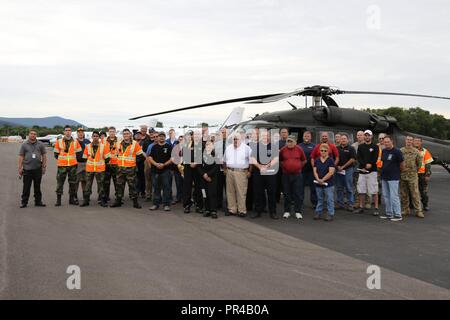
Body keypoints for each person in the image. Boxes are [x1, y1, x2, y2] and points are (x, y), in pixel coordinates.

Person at [110, 128, 145, 209]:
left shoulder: (135, 144)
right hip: (120, 169)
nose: (126, 135)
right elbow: (114, 154)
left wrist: (135, 163)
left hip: (130, 170)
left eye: (127, 133)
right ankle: (118, 201)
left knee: (132, 186)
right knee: (119, 186)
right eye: (124, 134)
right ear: (123, 135)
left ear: (130, 135)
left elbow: (140, 155)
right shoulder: (118, 143)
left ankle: (135, 202)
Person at [250, 130, 279, 219]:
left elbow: (276, 158)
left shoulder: (273, 146)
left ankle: (272, 212)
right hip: (258, 173)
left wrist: (267, 166)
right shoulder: (256, 146)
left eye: (266, 136)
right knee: (258, 192)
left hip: (270, 173)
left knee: (271, 192)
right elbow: (252, 158)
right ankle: (258, 211)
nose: (265, 137)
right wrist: (260, 167)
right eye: (263, 136)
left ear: (269, 137)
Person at [224, 131, 252, 217]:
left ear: (241, 139)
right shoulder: (228, 148)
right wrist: (225, 169)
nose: (235, 141)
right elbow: (224, 160)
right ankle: (232, 209)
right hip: (229, 172)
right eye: (234, 139)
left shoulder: (247, 148)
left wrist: (250, 171)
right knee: (230, 191)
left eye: (237, 139)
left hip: (241, 172)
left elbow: (251, 161)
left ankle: (242, 210)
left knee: (241, 192)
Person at [80, 131, 110, 207]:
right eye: (94, 136)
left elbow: (107, 158)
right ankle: (86, 200)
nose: (95, 137)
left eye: (97, 136)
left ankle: (101, 200)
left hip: (100, 169)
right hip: (90, 169)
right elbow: (84, 157)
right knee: (88, 185)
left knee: (101, 186)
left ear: (99, 137)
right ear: (92, 137)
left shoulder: (104, 146)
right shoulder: (88, 146)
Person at [54, 125, 82, 206]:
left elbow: (79, 153)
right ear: (64, 132)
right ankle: (58, 200)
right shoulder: (59, 141)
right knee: (60, 183)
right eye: (66, 130)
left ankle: (71, 199)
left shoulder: (75, 141)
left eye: (69, 130)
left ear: (71, 132)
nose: (68, 132)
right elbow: (56, 154)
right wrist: (62, 160)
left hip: (73, 166)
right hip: (62, 166)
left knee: (72, 183)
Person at [18, 129, 47, 208]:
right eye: (31, 134)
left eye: (34, 134)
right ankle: (24, 202)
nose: (33, 135)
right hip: (27, 169)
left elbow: (44, 155)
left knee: (37, 186)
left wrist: (44, 166)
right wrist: (20, 168)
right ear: (29, 135)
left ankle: (38, 201)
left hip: (38, 168)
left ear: (36, 135)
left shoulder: (40, 144)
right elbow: (21, 156)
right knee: (26, 187)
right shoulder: (24, 145)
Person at [280, 135, 306, 219]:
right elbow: (280, 160)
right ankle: (287, 211)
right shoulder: (283, 149)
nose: (289, 143)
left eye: (291, 141)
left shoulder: (299, 149)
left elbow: (304, 160)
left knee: (297, 193)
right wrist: (285, 166)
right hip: (286, 175)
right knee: (287, 193)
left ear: (295, 142)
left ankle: (297, 211)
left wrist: (298, 167)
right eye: (288, 141)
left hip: (297, 175)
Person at [354, 130, 380, 216]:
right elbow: (359, 157)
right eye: (365, 135)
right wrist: (364, 165)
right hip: (362, 171)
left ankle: (376, 208)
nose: (367, 137)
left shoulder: (375, 147)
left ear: (371, 136)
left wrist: (370, 164)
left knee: (374, 190)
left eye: (368, 135)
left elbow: (375, 158)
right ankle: (361, 207)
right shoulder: (361, 146)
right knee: (361, 190)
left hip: (372, 171)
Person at [379, 135, 404, 221]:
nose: (386, 143)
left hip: (393, 177)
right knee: (386, 196)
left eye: (388, 142)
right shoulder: (384, 151)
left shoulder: (397, 152)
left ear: (392, 141)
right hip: (384, 177)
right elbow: (383, 163)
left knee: (394, 196)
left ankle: (398, 215)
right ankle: (389, 213)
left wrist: (398, 172)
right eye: (385, 142)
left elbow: (402, 164)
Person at [148, 132, 173, 211]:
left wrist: (164, 164)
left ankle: (166, 204)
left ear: (165, 137)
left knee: (166, 188)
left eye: (163, 136)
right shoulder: (154, 147)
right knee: (156, 188)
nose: (161, 138)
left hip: (166, 170)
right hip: (155, 170)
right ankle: (155, 204)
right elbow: (150, 158)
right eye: (160, 136)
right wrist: (156, 164)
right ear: (157, 138)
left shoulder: (169, 147)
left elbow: (172, 159)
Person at [400, 136, 424, 218]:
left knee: (415, 194)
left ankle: (418, 211)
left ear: (412, 142)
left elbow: (419, 164)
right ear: (405, 141)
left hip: (412, 176)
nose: (409, 141)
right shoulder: (401, 151)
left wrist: (413, 171)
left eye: (410, 140)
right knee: (403, 193)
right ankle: (405, 209)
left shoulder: (416, 152)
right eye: (407, 140)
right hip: (402, 175)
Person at [182, 131, 204, 213]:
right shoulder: (187, 144)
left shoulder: (203, 145)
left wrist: (196, 162)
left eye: (198, 135)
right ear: (192, 136)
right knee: (187, 187)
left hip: (198, 169)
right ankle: (187, 205)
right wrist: (190, 162)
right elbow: (184, 155)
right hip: (188, 168)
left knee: (198, 187)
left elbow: (205, 156)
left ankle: (199, 205)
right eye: (195, 135)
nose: (196, 136)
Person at [313, 144, 336, 221]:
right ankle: (318, 212)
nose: (323, 152)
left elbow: (331, 172)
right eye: (321, 150)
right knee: (320, 199)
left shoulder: (330, 160)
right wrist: (318, 179)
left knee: (329, 199)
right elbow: (315, 171)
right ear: (319, 151)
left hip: (328, 184)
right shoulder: (316, 160)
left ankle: (330, 214)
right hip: (318, 183)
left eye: (325, 151)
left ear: (328, 151)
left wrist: (322, 180)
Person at [199, 141, 220, 218]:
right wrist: (204, 174)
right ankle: (207, 209)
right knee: (205, 194)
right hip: (203, 178)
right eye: (207, 144)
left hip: (212, 178)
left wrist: (208, 174)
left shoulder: (216, 155)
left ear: (213, 146)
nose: (208, 146)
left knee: (212, 194)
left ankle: (213, 210)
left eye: (210, 144)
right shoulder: (201, 156)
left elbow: (216, 167)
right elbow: (199, 167)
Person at [336, 133, 356, 211]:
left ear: (347, 140)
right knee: (339, 187)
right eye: (342, 139)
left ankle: (350, 204)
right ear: (339, 140)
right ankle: (340, 203)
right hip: (338, 170)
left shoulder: (351, 148)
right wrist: (337, 166)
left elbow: (353, 159)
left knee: (349, 187)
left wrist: (343, 167)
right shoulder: (336, 148)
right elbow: (334, 158)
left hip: (348, 170)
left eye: (344, 139)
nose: (343, 140)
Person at [414, 137, 433, 211]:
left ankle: (425, 205)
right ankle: (411, 205)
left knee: (423, 192)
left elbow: (428, 164)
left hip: (421, 174)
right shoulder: (410, 150)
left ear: (421, 142)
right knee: (411, 190)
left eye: (418, 141)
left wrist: (427, 175)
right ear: (413, 142)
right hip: (412, 174)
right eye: (415, 141)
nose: (417, 142)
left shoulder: (424, 151)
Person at [299, 131, 317, 208]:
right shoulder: (299, 146)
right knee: (300, 187)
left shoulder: (314, 146)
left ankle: (314, 203)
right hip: (302, 170)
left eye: (308, 136)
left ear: (310, 137)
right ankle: (300, 203)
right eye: (305, 136)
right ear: (303, 137)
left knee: (313, 187)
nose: (306, 138)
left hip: (311, 170)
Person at [104, 126, 120, 202]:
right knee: (106, 182)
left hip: (116, 164)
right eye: (110, 131)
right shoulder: (103, 141)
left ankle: (118, 197)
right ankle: (106, 197)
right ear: (108, 133)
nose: (112, 133)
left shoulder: (119, 141)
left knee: (117, 182)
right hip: (107, 164)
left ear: (115, 132)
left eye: (113, 131)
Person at [75, 128, 91, 203]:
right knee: (76, 181)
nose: (80, 134)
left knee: (85, 181)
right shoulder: (74, 142)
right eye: (79, 132)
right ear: (77, 133)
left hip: (86, 163)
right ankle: (75, 196)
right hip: (77, 163)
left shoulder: (87, 141)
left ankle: (85, 196)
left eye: (82, 132)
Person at [215, 128, 228, 211]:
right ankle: (218, 203)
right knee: (218, 187)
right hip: (219, 169)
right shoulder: (216, 144)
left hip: (228, 169)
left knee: (228, 188)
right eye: (222, 132)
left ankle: (228, 205)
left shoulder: (230, 143)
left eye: (224, 132)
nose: (223, 134)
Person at [166, 128, 178, 204]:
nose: (171, 134)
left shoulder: (178, 141)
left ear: (174, 134)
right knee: (168, 182)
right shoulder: (166, 142)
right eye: (170, 133)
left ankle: (179, 197)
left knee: (178, 182)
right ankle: (169, 197)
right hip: (169, 165)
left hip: (177, 165)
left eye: (172, 133)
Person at [172, 135, 184, 203]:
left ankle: (185, 197)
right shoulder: (175, 148)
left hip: (185, 169)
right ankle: (178, 197)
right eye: (180, 139)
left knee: (185, 184)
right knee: (178, 184)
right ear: (178, 140)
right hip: (177, 168)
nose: (181, 140)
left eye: (182, 139)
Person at [134, 132, 146, 198]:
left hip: (142, 162)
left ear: (141, 136)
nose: (138, 136)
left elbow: (146, 152)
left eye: (139, 135)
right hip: (134, 162)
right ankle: (136, 191)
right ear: (134, 136)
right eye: (137, 134)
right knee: (135, 178)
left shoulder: (144, 143)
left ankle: (143, 192)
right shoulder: (132, 143)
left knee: (142, 177)